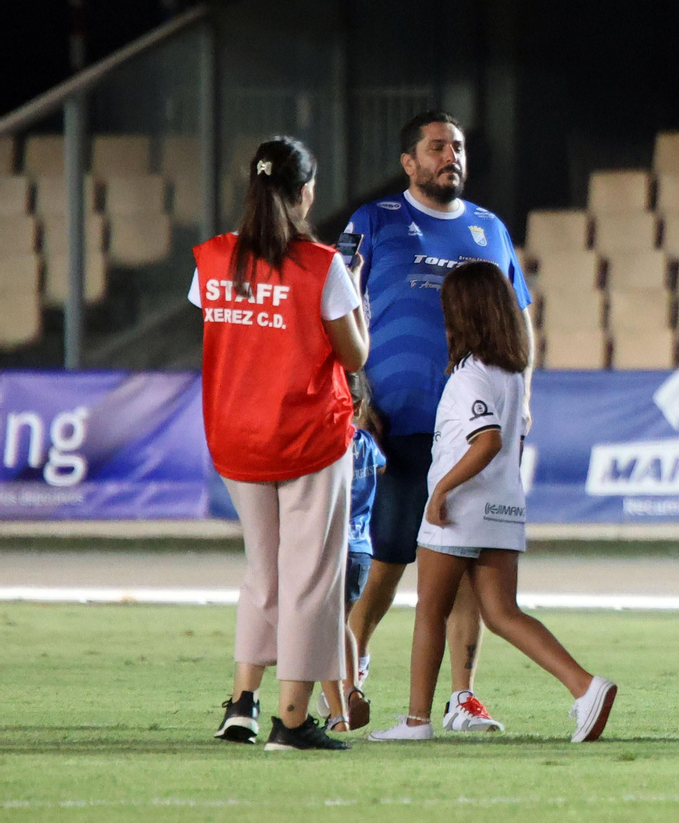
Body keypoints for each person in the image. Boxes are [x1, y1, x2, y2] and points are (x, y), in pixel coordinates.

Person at [368, 262, 618, 743]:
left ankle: (417, 721)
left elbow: (486, 442)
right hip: (504, 505)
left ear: (462, 313)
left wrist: (440, 490)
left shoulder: (470, 375)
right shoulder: (511, 375)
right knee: (503, 613)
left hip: (460, 509)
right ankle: (585, 686)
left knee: (430, 611)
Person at [344, 110, 534, 733]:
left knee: (460, 572)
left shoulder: (489, 229)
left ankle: (463, 699)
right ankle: (348, 674)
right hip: (395, 423)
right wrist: (355, 396)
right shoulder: (373, 223)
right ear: (409, 162)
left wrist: (524, 399)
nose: (449, 155)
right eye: (436, 147)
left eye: (456, 146)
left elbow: (519, 316)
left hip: (468, 430)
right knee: (388, 561)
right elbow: (336, 313)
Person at [198, 136, 368, 751]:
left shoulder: (213, 259)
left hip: (235, 436)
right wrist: (359, 301)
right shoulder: (324, 265)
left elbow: (230, 334)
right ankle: (293, 722)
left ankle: (241, 704)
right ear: (306, 192)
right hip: (305, 439)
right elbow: (355, 355)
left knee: (261, 574)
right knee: (309, 581)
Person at [317, 371, 384, 733]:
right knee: (340, 623)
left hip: (331, 543)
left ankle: (338, 707)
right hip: (361, 550)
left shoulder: (328, 442)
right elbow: (383, 466)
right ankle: (350, 688)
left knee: (321, 625)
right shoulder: (367, 443)